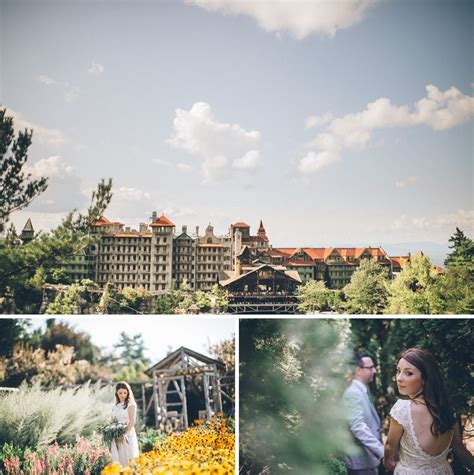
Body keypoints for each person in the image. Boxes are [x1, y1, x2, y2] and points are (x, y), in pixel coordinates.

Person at [384, 348, 474, 474]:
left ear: (425, 378)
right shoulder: (447, 408)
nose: (399, 378)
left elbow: (389, 446)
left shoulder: (402, 409)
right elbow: (459, 448)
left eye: (408, 373)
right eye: (398, 371)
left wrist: (387, 460)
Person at [343, 353, 384, 475]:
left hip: (368, 461)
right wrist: (381, 451)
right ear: (358, 370)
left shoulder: (362, 391)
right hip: (360, 463)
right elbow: (358, 427)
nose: (375, 370)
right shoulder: (353, 394)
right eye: (370, 367)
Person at [111, 381, 140, 467]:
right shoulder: (115, 405)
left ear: (128, 392)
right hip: (116, 434)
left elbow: (132, 421)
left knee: (128, 457)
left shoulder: (131, 404)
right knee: (118, 458)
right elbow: (112, 421)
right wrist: (112, 432)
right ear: (117, 393)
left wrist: (124, 435)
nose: (122, 395)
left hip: (127, 434)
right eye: (120, 393)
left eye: (125, 393)